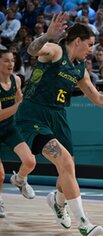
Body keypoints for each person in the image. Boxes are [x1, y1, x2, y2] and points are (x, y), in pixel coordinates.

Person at [16, 14, 103, 236]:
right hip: (33, 114)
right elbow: (32, 51)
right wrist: (47, 36)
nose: (91, 49)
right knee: (65, 163)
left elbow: (96, 96)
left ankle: (58, 201)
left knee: (67, 169)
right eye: (89, 45)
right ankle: (84, 223)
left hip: (58, 117)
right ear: (78, 41)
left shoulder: (80, 68)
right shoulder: (55, 50)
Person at [0, 49, 36, 218]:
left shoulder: (16, 80)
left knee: (30, 161)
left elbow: (20, 100)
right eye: (6, 61)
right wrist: (18, 107)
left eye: (12, 61)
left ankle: (20, 180)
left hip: (10, 128)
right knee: (0, 174)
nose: (11, 64)